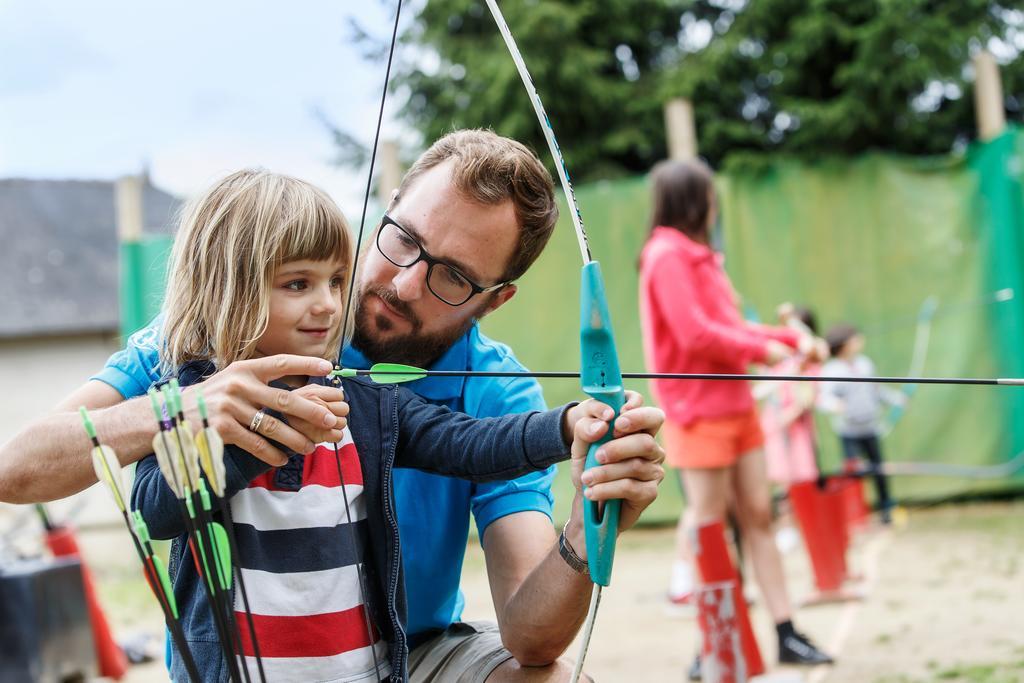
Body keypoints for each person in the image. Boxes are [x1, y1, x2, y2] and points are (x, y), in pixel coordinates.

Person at [0, 130, 666, 682]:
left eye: (454, 276)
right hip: (238, 663)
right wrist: (195, 411)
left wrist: (582, 483)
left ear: (495, 298)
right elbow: (29, 472)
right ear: (385, 206)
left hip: (395, 655)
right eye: (403, 237)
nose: (402, 284)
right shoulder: (199, 348)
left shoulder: (443, 392)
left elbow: (526, 626)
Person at [637, 158, 832, 674]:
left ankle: (786, 632)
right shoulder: (664, 256)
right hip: (697, 414)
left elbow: (732, 327)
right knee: (710, 530)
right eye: (709, 195)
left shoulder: (703, 257)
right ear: (692, 200)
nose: (715, 204)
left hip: (737, 407)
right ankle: (713, 643)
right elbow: (695, 334)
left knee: (759, 520)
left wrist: (793, 341)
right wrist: (767, 354)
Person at [820, 323, 902, 524]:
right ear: (843, 345)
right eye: (854, 339)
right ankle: (856, 515)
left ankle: (886, 511)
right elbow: (823, 398)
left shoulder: (865, 364)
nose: (859, 342)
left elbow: (877, 390)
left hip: (871, 428)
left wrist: (896, 399)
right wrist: (835, 405)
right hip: (848, 432)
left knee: (879, 471)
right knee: (853, 475)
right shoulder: (832, 370)